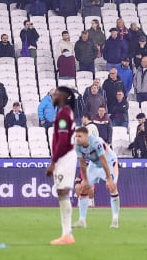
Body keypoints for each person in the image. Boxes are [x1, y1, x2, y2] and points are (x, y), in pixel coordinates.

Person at [45, 86, 78, 244]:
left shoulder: (64, 114)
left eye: (56, 93)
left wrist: (53, 162)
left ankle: (67, 234)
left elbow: (63, 141)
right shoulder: (65, 112)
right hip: (66, 156)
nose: (53, 95)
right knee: (62, 193)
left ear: (64, 97)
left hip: (65, 157)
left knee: (63, 192)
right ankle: (66, 234)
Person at [72, 126, 120, 229]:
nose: (78, 138)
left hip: (109, 162)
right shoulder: (77, 145)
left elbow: (103, 160)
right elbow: (82, 162)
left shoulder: (97, 142)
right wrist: (85, 179)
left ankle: (115, 219)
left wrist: (109, 179)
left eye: (80, 136)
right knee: (84, 187)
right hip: (94, 164)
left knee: (112, 187)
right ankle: (82, 220)